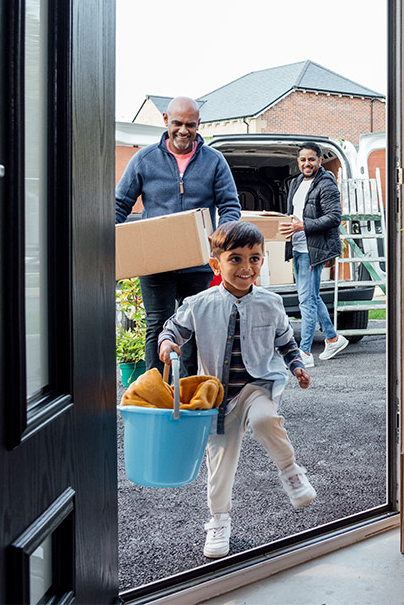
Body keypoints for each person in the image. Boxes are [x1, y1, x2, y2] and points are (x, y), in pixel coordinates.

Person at [158, 221, 316, 559]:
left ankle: (290, 471)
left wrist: (297, 365)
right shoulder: (199, 303)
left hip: (256, 386)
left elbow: (285, 341)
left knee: (265, 421)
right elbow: (174, 327)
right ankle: (218, 520)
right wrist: (168, 342)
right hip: (216, 399)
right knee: (220, 466)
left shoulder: (270, 303)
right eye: (236, 259)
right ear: (216, 264)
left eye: (255, 259)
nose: (247, 268)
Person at [115, 96, 241, 378]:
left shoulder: (214, 161)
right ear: (165, 121)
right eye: (177, 123)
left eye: (190, 125)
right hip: (155, 263)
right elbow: (119, 204)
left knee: (193, 326)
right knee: (157, 325)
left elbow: (230, 205)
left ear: (199, 125)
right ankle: (155, 392)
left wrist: (221, 236)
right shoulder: (144, 160)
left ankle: (188, 391)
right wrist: (109, 240)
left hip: (197, 262)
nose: (183, 130)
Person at [279, 141, 349, 367]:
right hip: (298, 248)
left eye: (311, 159)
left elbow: (334, 217)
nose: (307, 163)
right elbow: (295, 213)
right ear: (298, 162)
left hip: (313, 249)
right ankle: (332, 338)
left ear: (319, 160)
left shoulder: (326, 184)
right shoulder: (297, 182)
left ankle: (305, 353)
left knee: (306, 301)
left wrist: (303, 226)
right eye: (302, 159)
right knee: (312, 296)